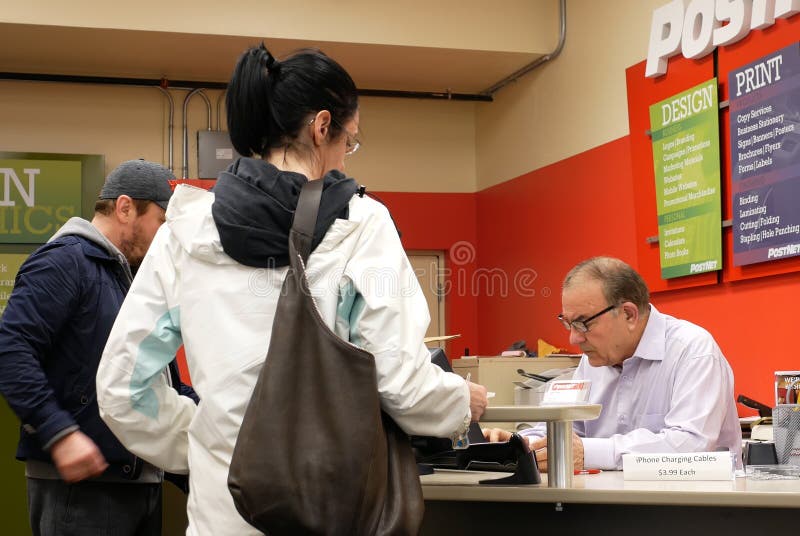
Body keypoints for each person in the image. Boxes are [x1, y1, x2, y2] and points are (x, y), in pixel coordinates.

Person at [95, 43, 488, 536]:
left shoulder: (184, 230)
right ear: (322, 126)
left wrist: (208, 441)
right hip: (332, 508)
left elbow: (122, 390)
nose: (347, 155)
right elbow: (401, 384)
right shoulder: (361, 224)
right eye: (350, 140)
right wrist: (461, 401)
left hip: (222, 515)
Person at [0, 159, 198, 536]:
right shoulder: (64, 262)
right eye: (161, 221)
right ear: (125, 208)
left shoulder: (130, 281)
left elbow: (164, 383)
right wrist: (60, 433)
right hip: (81, 491)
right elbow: (11, 347)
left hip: (139, 483)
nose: (166, 237)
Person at [484, 256, 742, 471]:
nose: (574, 337)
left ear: (629, 314)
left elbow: (689, 445)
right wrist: (522, 444)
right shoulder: (593, 359)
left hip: (693, 513)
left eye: (584, 323)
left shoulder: (693, 351)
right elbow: (567, 429)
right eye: (568, 323)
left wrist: (588, 452)